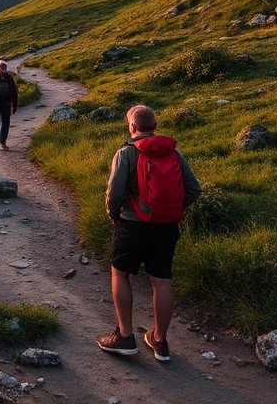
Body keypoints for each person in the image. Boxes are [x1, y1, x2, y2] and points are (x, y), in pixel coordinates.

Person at [97, 104, 201, 361]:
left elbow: (114, 193)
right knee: (162, 280)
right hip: (167, 226)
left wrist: (114, 216)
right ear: (154, 126)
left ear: (132, 126)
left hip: (132, 225)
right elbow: (194, 189)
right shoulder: (174, 153)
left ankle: (124, 336)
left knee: (120, 274)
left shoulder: (126, 153)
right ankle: (160, 341)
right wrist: (175, 209)